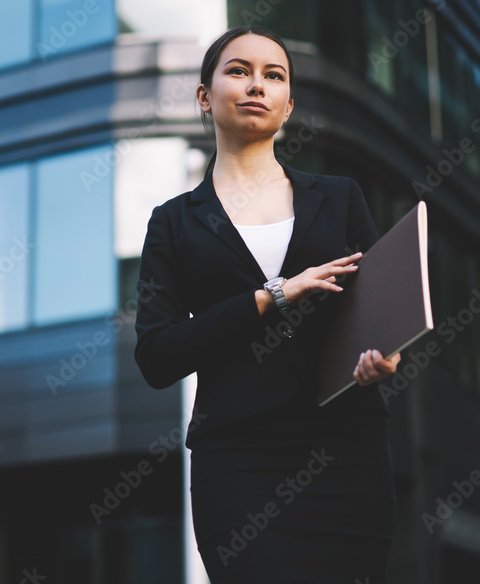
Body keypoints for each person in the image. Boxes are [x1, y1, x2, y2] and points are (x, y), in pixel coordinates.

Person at [133, 25, 403, 583]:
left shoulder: (339, 197)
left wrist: (388, 358)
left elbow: (380, 311)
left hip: (345, 451)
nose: (257, 84)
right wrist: (272, 295)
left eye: (273, 76)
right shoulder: (174, 221)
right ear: (205, 96)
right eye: (238, 70)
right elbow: (157, 355)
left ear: (287, 106)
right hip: (238, 460)